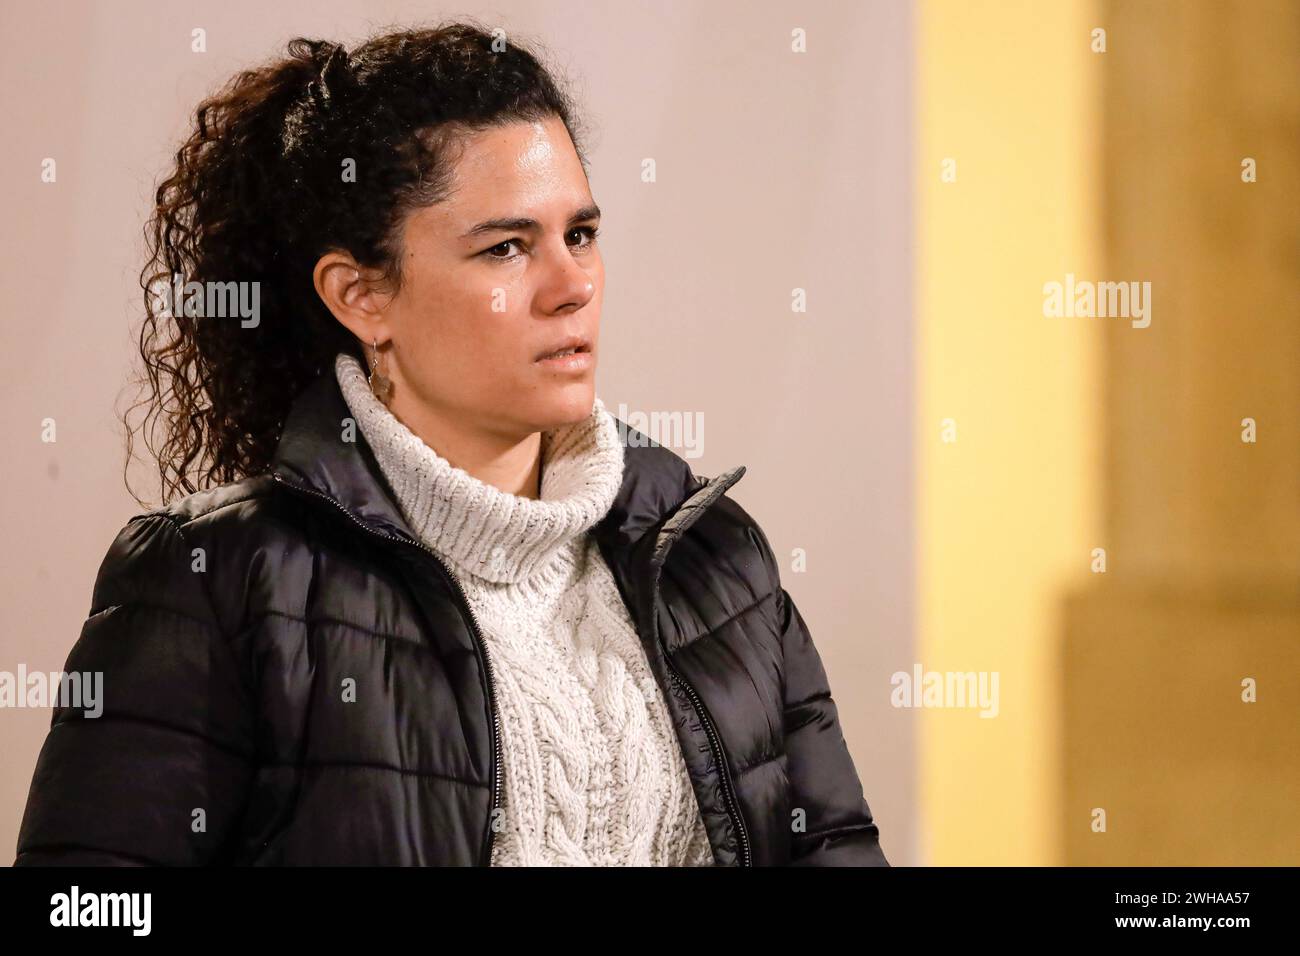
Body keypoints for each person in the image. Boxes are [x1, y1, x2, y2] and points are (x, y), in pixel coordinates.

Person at [14, 21, 888, 867]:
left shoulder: (717, 560)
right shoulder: (219, 579)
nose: (572, 284)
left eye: (579, 235)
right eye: (507, 248)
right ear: (362, 298)